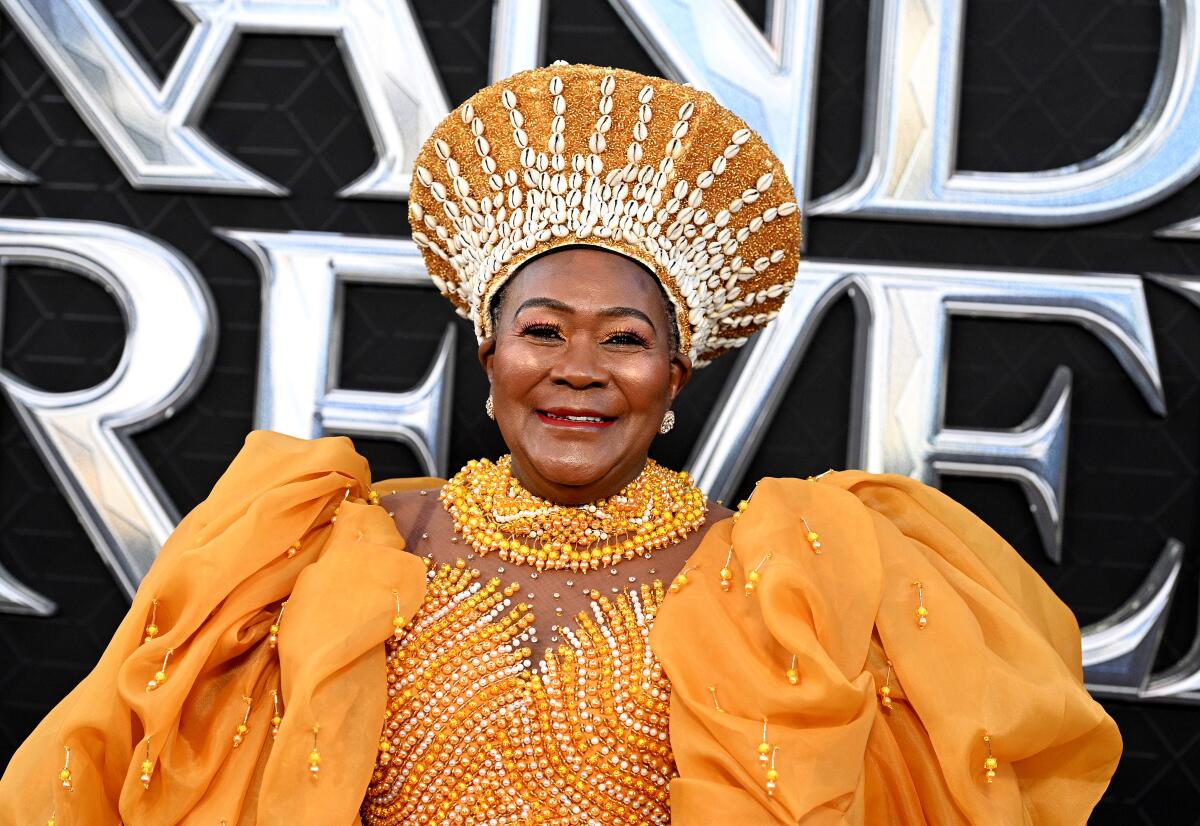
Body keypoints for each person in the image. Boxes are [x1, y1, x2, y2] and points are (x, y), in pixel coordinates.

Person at [0, 63, 1119, 825]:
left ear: (675, 375)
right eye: (543, 330)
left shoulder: (783, 574)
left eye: (626, 339)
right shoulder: (330, 543)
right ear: (489, 354)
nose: (579, 367)